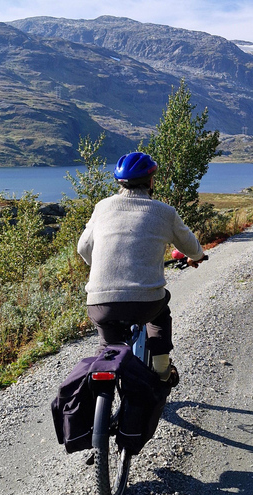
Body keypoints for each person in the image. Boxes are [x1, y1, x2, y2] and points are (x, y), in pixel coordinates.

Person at [77, 151, 205, 383]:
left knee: (107, 346)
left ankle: (98, 398)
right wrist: (196, 256)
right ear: (151, 181)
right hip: (146, 303)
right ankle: (162, 370)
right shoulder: (164, 212)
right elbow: (191, 246)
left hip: (100, 303)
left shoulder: (102, 207)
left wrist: (97, 267)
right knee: (159, 314)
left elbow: (83, 248)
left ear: (120, 183)